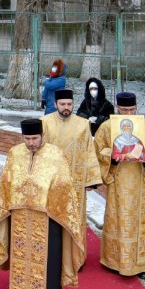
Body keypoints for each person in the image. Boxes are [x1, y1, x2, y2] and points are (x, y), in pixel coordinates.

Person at [0, 118, 85, 289]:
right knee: (21, 256)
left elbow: (65, 186)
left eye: (34, 138)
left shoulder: (55, 154)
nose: (31, 143)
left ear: (42, 136)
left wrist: (46, 194)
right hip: (20, 216)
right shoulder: (15, 153)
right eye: (27, 138)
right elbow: (6, 182)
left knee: (48, 259)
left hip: (47, 217)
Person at [94, 92, 145, 279]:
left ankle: (142, 264)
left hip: (143, 182)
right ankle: (115, 260)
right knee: (119, 220)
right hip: (118, 182)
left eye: (131, 110)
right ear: (117, 107)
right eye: (124, 110)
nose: (128, 113)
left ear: (137, 108)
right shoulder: (107, 127)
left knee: (140, 222)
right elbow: (97, 151)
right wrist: (113, 157)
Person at [41, 88, 102, 225]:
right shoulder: (44, 122)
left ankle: (73, 247)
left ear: (73, 104)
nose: (66, 107)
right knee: (52, 214)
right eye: (62, 104)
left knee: (74, 215)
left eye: (69, 104)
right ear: (56, 104)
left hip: (76, 178)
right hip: (52, 178)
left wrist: (91, 179)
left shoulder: (83, 124)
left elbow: (89, 150)